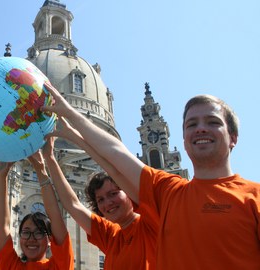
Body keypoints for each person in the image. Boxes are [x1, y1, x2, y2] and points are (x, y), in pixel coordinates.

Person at [43, 84, 260, 269]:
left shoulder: (254, 197)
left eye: (213, 122)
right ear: (183, 139)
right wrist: (69, 129)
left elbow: (116, 163)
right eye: (191, 124)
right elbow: (115, 161)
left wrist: (70, 120)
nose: (200, 129)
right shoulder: (169, 195)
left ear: (233, 137)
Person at [43, 120, 157, 269]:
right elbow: (73, 204)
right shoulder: (111, 236)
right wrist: (50, 159)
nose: (108, 203)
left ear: (128, 190)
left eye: (113, 193)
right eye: (100, 199)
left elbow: (116, 164)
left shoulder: (151, 224)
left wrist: (75, 136)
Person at [0, 151, 74, 270]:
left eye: (39, 232)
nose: (31, 239)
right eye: (26, 232)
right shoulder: (11, 266)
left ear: (50, 240)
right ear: (20, 237)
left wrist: (41, 170)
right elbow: (2, 223)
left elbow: (55, 214)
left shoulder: (60, 266)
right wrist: (1, 176)